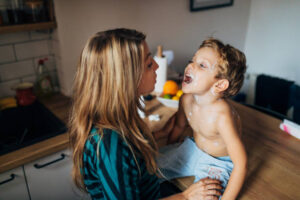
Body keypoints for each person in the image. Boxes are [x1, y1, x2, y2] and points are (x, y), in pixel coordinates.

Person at [69, 28, 223, 200]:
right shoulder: (109, 144)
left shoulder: (120, 117)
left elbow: (130, 156)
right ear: (126, 79)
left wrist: (159, 134)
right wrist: (186, 196)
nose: (157, 66)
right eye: (149, 64)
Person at [156, 38, 247, 200]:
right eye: (193, 60)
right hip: (193, 149)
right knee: (149, 166)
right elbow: (178, 127)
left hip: (218, 163)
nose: (189, 66)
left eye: (202, 65)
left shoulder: (222, 115)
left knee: (207, 196)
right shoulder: (186, 99)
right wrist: (172, 155)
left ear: (219, 85)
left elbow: (240, 163)